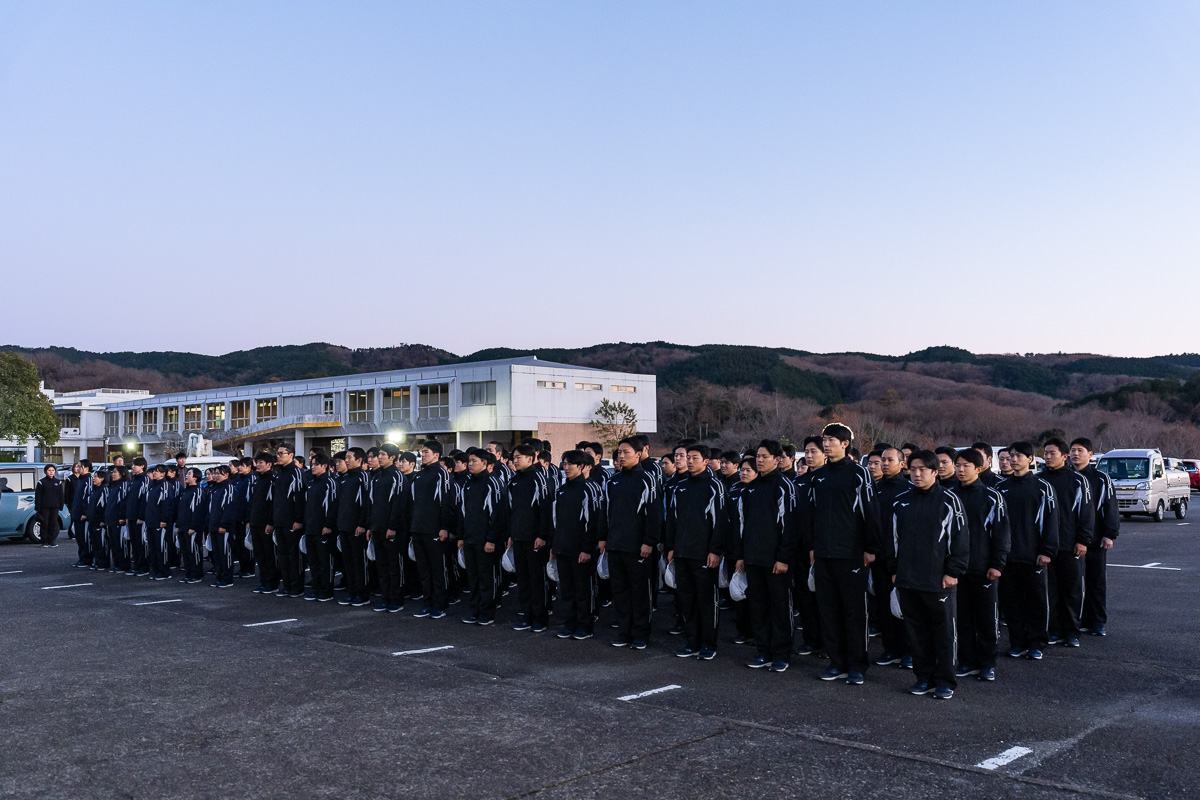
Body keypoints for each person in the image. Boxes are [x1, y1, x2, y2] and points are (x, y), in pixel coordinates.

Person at [800, 423, 880, 686]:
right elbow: (811, 514)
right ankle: (836, 663)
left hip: (851, 554)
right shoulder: (818, 476)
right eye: (824, 439)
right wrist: (812, 547)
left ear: (845, 444)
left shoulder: (859, 473)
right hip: (824, 553)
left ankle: (857, 665)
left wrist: (870, 548)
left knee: (854, 612)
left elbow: (871, 511)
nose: (826, 444)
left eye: (831, 440)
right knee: (829, 610)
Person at [888, 450, 969, 700]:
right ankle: (923, 677)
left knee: (943, 633)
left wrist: (953, 571)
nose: (917, 474)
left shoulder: (949, 500)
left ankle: (945, 681)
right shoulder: (900, 501)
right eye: (913, 469)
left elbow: (960, 539)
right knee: (916, 633)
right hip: (908, 579)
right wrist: (894, 570)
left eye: (922, 469)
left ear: (935, 472)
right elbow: (893, 540)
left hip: (938, 580)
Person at [733, 440, 796, 672]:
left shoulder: (784, 486)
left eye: (764, 456)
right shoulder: (749, 488)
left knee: (779, 608)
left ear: (777, 459)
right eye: (757, 456)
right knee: (758, 607)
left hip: (776, 561)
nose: (759, 460)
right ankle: (763, 651)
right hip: (752, 558)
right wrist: (741, 555)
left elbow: (790, 526)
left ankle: (781, 654)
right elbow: (742, 525)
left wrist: (783, 558)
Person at [996, 441, 1058, 660]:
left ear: (1030, 459)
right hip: (1007, 556)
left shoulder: (1042, 487)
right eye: (1010, 456)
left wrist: (1047, 550)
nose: (1013, 460)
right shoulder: (1001, 488)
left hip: (1033, 555)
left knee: (1036, 601)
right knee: (1011, 602)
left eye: (1018, 456)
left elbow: (1051, 520)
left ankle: (1037, 643)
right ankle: (1017, 642)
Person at [664, 444, 727, 660]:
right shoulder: (680, 487)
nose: (689, 461)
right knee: (687, 600)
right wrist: (670, 547)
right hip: (682, 552)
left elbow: (720, 521)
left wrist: (715, 550)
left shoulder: (715, 486)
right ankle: (692, 642)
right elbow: (672, 520)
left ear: (706, 461)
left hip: (704, 554)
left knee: (706, 601)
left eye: (694, 458)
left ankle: (708, 644)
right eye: (688, 457)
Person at [953, 448, 1009, 682]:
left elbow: (1002, 533)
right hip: (956, 570)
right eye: (957, 465)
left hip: (984, 569)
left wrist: (997, 564)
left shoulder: (992, 496)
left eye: (965, 466)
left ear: (978, 468)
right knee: (962, 619)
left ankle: (987, 663)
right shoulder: (949, 495)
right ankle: (966, 661)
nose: (960, 470)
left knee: (986, 619)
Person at [603, 437, 659, 650]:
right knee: (620, 592)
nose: (621, 456)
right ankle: (623, 632)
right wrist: (604, 539)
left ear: (638, 454)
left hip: (638, 547)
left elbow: (654, 514)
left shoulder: (647, 479)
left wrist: (649, 541)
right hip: (615, 545)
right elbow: (605, 513)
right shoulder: (613, 481)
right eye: (619, 452)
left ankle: (641, 634)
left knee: (640, 592)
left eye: (626, 452)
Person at [1039, 437, 1094, 648]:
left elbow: (1086, 513)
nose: (1047, 457)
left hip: (1070, 545)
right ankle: (1053, 630)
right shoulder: (1039, 480)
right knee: (1049, 591)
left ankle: (1071, 632)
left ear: (1064, 456)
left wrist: (1083, 540)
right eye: (1045, 453)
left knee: (1072, 591)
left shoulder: (1078, 481)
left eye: (1052, 453)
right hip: (1045, 547)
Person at [549, 450, 602, 639]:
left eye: (569, 464)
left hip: (581, 550)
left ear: (581, 466)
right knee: (567, 590)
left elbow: (593, 521)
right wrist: (554, 546)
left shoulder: (589, 488)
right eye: (564, 464)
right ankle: (569, 624)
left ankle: (585, 626)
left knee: (583, 590)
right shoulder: (562, 489)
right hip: (563, 547)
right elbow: (556, 520)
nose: (566, 468)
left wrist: (587, 549)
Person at [1070, 437, 1119, 637]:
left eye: (1080, 450)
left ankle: (1097, 621)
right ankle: (1075, 621)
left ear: (1090, 454)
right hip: (1069, 540)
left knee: (1095, 582)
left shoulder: (1101, 479)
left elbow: (1110, 506)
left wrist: (1109, 534)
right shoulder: (1066, 477)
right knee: (1071, 584)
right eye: (1073, 450)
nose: (1075, 454)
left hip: (1096, 539)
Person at [458, 449, 509, 626]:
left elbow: (498, 515)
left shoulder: (492, 483)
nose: (470, 464)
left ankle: (487, 612)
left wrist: (492, 539)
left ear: (485, 463)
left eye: (474, 461)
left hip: (486, 540)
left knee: (487, 578)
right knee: (473, 577)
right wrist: (461, 536)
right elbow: (463, 512)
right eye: (469, 461)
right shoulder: (468, 483)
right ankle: (474, 610)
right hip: (470, 538)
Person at [872, 446, 911, 669]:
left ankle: (909, 650)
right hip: (879, 556)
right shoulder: (874, 488)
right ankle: (891, 649)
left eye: (890, 460)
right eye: (882, 460)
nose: (885, 464)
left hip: (903, 558)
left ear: (902, 464)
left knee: (906, 606)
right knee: (884, 605)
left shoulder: (909, 489)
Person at [507, 443, 553, 632]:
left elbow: (546, 509)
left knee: (537, 580)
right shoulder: (514, 481)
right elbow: (511, 511)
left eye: (519, 457)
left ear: (530, 459)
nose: (515, 460)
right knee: (523, 579)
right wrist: (511, 534)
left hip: (535, 539)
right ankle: (527, 616)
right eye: (514, 457)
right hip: (518, 537)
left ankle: (539, 618)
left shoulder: (539, 478)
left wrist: (542, 535)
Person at [409, 440, 455, 619]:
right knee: (423, 569)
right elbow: (413, 502)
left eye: (426, 452)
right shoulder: (418, 475)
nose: (423, 455)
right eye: (422, 452)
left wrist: (444, 527)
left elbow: (447, 502)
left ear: (436, 454)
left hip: (435, 529)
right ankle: (427, 603)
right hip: (418, 528)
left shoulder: (441, 474)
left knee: (438, 569)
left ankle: (439, 605)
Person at [792, 436, 827, 659]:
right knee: (805, 595)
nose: (810, 456)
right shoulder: (799, 482)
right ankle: (810, 639)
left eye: (814, 451)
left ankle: (828, 643)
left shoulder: (829, 479)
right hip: (800, 548)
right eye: (807, 452)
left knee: (825, 598)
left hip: (823, 548)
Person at [370, 443, 407, 612]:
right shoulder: (377, 476)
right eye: (379, 454)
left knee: (394, 566)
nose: (379, 457)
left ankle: (396, 599)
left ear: (392, 457)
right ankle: (385, 598)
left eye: (383, 454)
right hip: (377, 528)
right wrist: (371, 526)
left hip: (392, 530)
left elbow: (399, 504)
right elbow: (372, 503)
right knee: (382, 566)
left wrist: (392, 527)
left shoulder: (397, 477)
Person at [336, 447, 372, 607]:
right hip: (344, 526)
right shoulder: (344, 478)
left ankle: (362, 594)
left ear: (359, 460)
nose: (346, 460)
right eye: (346, 457)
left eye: (349, 457)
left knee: (359, 563)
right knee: (348, 562)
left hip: (357, 528)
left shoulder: (363, 477)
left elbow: (367, 503)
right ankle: (351, 593)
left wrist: (362, 524)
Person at [271, 444, 307, 598]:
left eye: (282, 453)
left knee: (294, 556)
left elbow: (300, 498)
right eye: (277, 453)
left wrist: (299, 519)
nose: (278, 456)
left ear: (291, 455)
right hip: (279, 521)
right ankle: (286, 585)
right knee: (283, 555)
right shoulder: (279, 474)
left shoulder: (296, 473)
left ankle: (296, 586)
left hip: (292, 522)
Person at [302, 453, 339, 602]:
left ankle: (326, 591)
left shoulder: (330, 483)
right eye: (312, 464)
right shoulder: (311, 483)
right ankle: (316, 589)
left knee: (325, 562)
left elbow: (334, 505)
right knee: (313, 562)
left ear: (324, 466)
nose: (313, 467)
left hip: (324, 529)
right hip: (311, 528)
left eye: (316, 464)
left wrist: (329, 525)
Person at [248, 452, 279, 594]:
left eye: (261, 462)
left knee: (269, 554)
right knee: (259, 554)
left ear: (269, 464)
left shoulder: (272, 480)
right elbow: (253, 502)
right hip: (255, 522)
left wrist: (270, 522)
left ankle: (272, 583)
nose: (258, 465)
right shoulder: (257, 480)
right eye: (257, 462)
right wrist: (249, 520)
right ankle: (263, 581)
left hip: (265, 524)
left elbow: (273, 504)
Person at [206, 465, 238, 588]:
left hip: (224, 528)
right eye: (214, 473)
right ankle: (219, 577)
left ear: (226, 475)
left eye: (218, 473)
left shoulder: (229, 488)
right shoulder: (215, 489)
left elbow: (229, 508)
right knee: (217, 554)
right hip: (213, 526)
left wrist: (224, 524)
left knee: (225, 553)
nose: (215, 475)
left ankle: (227, 578)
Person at [145, 465, 177, 581]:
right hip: (151, 522)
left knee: (161, 548)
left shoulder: (165, 486)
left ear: (163, 474)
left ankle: (164, 571)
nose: (154, 473)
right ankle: (156, 570)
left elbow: (167, 503)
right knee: (153, 548)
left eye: (157, 471)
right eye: (154, 471)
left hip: (160, 523)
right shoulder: (152, 486)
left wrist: (164, 519)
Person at [176, 468, 207, 584]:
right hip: (183, 527)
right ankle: (188, 573)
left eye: (189, 473)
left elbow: (198, 510)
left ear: (195, 477)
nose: (186, 475)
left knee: (194, 551)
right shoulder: (185, 491)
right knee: (185, 551)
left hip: (192, 528)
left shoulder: (198, 491)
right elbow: (180, 510)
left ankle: (196, 574)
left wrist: (193, 526)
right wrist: (178, 525)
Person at [125, 457, 150, 575]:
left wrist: (142, 516)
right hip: (131, 516)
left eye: (135, 465)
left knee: (141, 543)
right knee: (134, 542)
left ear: (142, 466)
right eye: (132, 465)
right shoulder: (133, 480)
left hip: (139, 518)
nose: (133, 467)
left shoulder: (145, 480)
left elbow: (144, 499)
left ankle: (143, 567)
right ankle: (136, 565)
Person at [104, 466, 129, 573]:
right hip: (111, 519)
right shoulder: (113, 486)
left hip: (118, 520)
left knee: (120, 544)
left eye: (115, 472)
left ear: (122, 474)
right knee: (113, 543)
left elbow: (123, 502)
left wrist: (122, 516)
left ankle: (123, 565)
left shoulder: (123, 485)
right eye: (112, 472)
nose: (112, 474)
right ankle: (116, 564)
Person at [70, 460, 94, 567]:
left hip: (82, 515)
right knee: (79, 538)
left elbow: (88, 497)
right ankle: (82, 558)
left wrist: (85, 512)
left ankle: (87, 559)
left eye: (80, 466)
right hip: (77, 513)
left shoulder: (88, 479)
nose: (78, 468)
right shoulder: (81, 479)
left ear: (86, 467)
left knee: (84, 538)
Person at [34, 464, 63, 547]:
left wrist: (61, 505)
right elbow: (38, 496)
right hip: (44, 507)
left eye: (53, 470)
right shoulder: (41, 482)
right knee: (44, 524)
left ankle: (52, 540)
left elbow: (61, 495)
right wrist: (38, 508)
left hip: (55, 506)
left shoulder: (58, 482)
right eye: (49, 470)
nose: (51, 472)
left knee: (53, 524)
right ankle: (44, 542)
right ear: (45, 471)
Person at [85, 470, 108, 570]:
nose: (93, 479)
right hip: (92, 520)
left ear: (102, 478)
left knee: (101, 542)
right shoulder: (93, 490)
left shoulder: (104, 490)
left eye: (96, 477)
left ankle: (103, 562)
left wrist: (103, 520)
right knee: (94, 542)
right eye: (93, 476)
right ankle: (97, 561)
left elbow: (105, 506)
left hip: (99, 521)